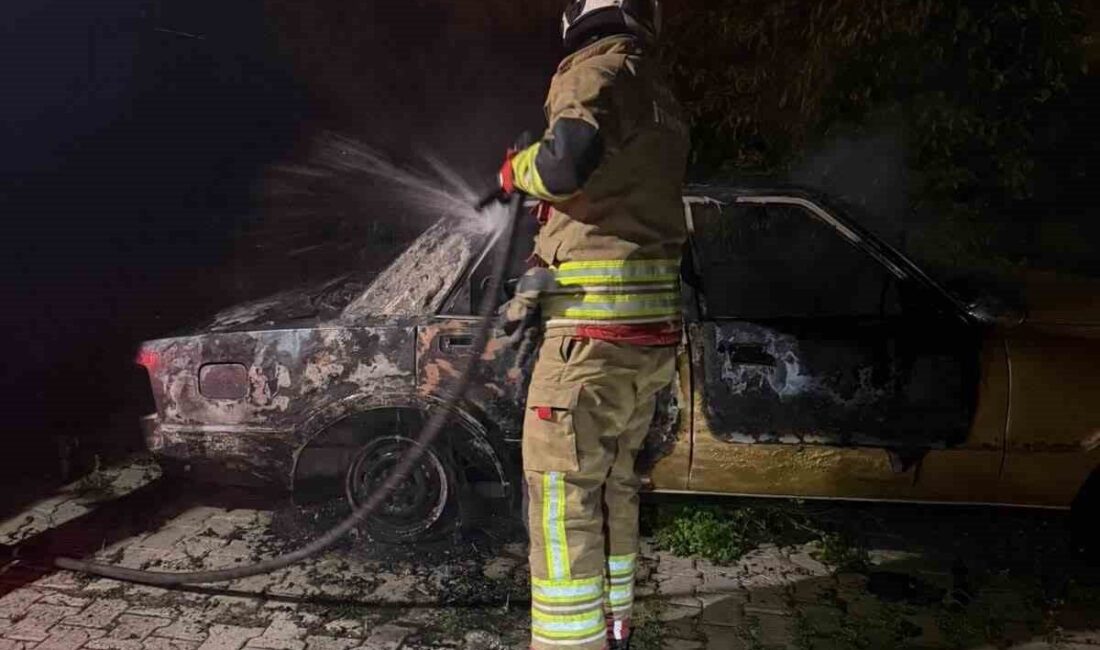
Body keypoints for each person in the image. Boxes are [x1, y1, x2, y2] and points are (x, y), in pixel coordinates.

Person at [496, 1, 689, 648]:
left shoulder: (594, 73)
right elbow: (613, 206)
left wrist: (515, 170)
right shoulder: (660, 96)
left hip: (589, 341)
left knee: (561, 496)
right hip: (647, 342)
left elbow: (561, 165)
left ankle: (569, 641)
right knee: (616, 485)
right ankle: (616, 624)